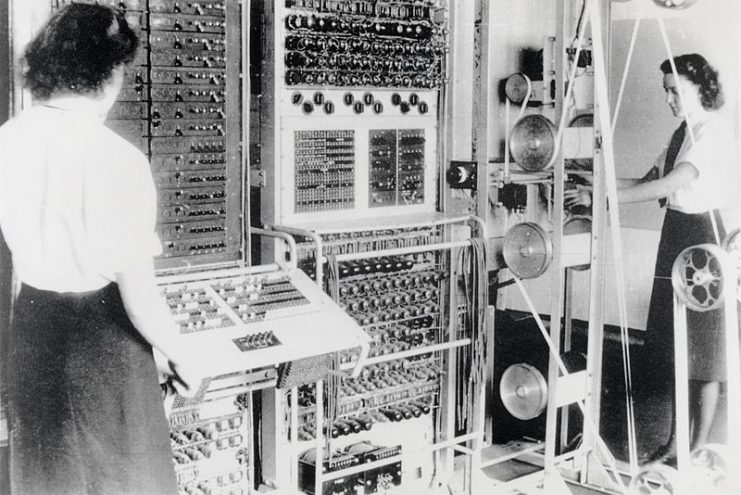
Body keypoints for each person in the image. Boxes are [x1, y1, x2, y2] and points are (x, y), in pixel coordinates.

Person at [0, 5, 204, 494]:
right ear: (111, 73)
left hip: (33, 334)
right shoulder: (117, 159)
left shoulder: (6, 141)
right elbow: (140, 299)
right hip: (105, 349)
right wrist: (181, 355)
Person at [565, 53, 736, 464]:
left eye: (675, 91)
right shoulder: (684, 131)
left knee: (704, 348)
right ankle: (677, 443)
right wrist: (595, 181)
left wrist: (601, 198)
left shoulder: (713, 131)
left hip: (702, 241)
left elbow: (675, 182)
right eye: (666, 92)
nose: (669, 99)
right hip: (675, 234)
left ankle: (696, 449)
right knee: (677, 343)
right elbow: (646, 182)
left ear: (700, 87)